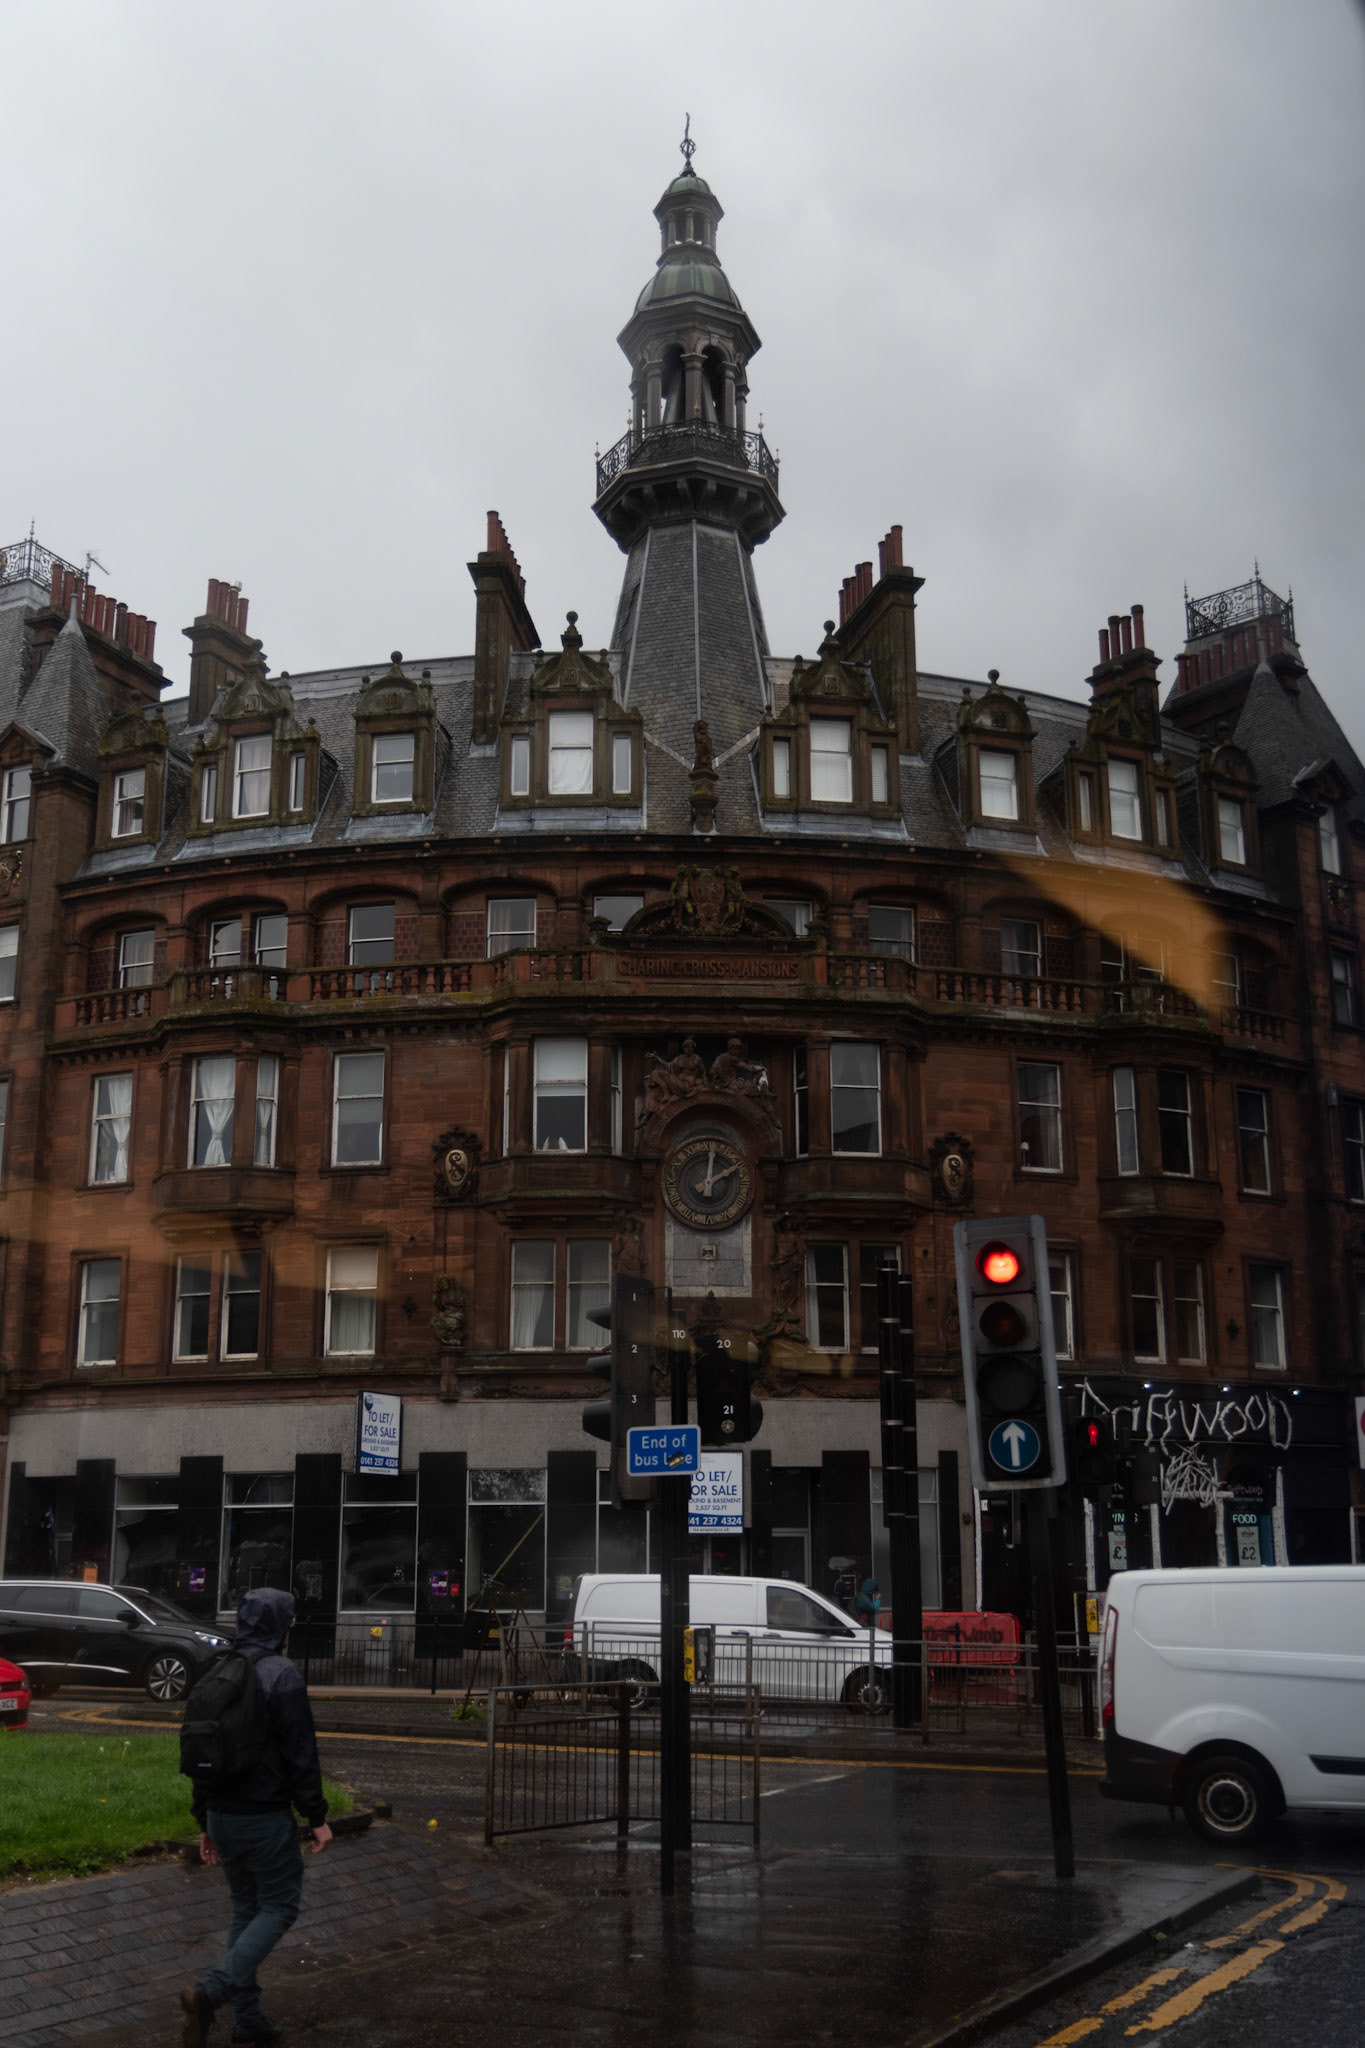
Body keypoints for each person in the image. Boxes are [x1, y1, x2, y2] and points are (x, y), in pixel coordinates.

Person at [181, 1587, 332, 2047]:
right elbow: (299, 1752)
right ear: (281, 1628)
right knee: (280, 1906)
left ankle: (247, 2022)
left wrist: (205, 1819)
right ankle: (210, 1993)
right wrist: (317, 1816)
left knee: (245, 1910)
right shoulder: (280, 1674)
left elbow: (201, 1748)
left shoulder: (216, 1670)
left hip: (223, 1816)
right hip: (264, 1818)